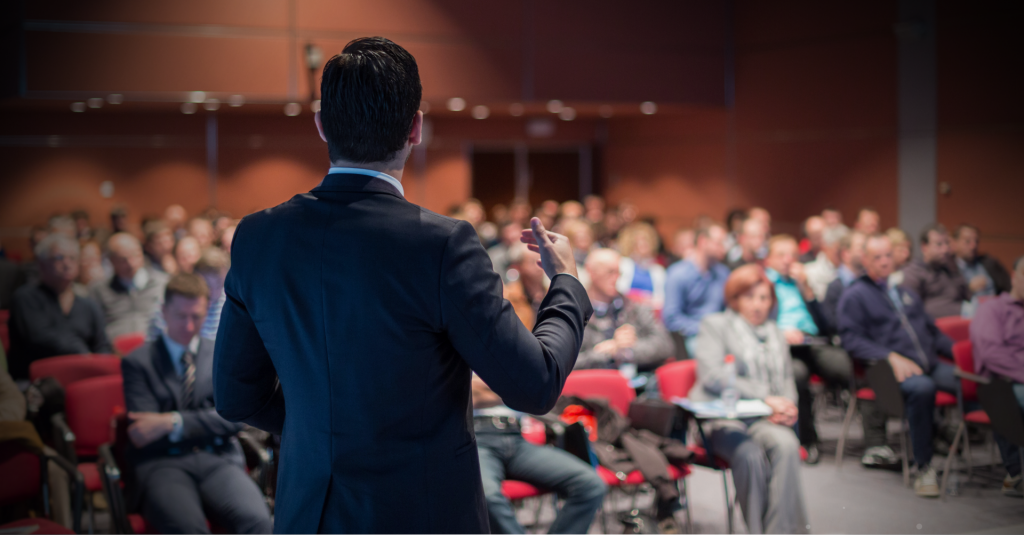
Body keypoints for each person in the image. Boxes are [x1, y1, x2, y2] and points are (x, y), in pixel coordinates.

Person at [213, 37, 592, 534]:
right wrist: (566, 282)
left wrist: (327, 432)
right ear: (416, 128)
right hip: (421, 512)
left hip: (309, 513)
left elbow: (236, 397)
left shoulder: (258, 237)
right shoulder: (441, 244)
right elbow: (535, 383)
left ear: (322, 124)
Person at [122, 273, 272, 534]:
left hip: (218, 458)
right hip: (163, 464)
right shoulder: (138, 362)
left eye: (197, 316)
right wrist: (210, 419)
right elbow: (143, 433)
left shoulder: (219, 352)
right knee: (189, 530)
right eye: (182, 316)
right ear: (164, 311)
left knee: (259, 522)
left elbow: (234, 419)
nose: (190, 326)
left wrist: (172, 422)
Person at [690, 265, 808, 534]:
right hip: (721, 417)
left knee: (787, 444)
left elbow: (788, 378)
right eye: (749, 297)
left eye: (764, 298)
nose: (757, 305)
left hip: (763, 418)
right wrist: (767, 398)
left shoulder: (776, 332)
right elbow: (713, 375)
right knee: (750, 455)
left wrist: (787, 406)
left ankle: (778, 531)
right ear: (735, 299)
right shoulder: (716, 325)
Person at [838, 233, 956, 498]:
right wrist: (889, 356)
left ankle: (1013, 469)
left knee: (978, 381)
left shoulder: (905, 293)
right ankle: (923, 467)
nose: (884, 262)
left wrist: (960, 353)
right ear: (865, 260)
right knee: (922, 389)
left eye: (888, 256)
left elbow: (932, 332)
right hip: (887, 372)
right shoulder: (855, 295)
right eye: (877, 257)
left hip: (929, 364)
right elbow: (850, 339)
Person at [473, 375, 606, 534]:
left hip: (516, 438)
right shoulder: (458, 354)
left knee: (591, 484)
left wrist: (489, 388)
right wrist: (513, 389)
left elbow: (539, 393)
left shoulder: (510, 354)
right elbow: (466, 394)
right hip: (476, 438)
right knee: (484, 497)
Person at [763, 235, 852, 463]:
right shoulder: (764, 283)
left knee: (846, 367)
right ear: (768, 259)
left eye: (792, 255)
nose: (787, 260)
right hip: (783, 346)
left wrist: (807, 290)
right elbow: (758, 322)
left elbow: (825, 324)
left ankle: (878, 440)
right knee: (798, 376)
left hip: (812, 342)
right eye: (781, 255)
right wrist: (780, 333)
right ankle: (807, 440)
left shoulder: (800, 282)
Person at [7, 235, 111, 379]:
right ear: (41, 264)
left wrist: (101, 366)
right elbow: (41, 339)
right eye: (59, 258)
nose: (67, 263)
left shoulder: (88, 304)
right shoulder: (25, 298)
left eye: (73, 258)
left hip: (83, 378)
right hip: (38, 383)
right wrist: (84, 355)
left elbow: (102, 345)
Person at [970, 255, 1024, 497]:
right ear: (1015, 277)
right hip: (1000, 383)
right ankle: (1017, 472)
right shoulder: (992, 308)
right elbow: (992, 354)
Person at [577, 249, 673, 371]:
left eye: (619, 273)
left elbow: (665, 345)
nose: (616, 278)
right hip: (594, 385)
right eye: (610, 272)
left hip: (640, 382)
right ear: (590, 271)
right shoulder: (574, 313)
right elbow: (561, 362)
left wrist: (626, 350)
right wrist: (604, 353)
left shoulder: (634, 307)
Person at [662, 224, 730, 353]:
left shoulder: (723, 273)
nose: (724, 249)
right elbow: (671, 318)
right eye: (719, 243)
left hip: (720, 334)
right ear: (703, 241)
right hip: (693, 335)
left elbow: (729, 310)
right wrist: (705, 329)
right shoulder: (678, 274)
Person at [89, 233, 169, 341]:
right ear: (111, 261)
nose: (131, 263)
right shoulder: (100, 290)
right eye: (123, 260)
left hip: (153, 347)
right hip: (116, 350)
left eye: (135, 255)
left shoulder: (162, 282)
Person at [148, 247, 228, 342]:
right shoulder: (173, 300)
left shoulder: (229, 301)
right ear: (194, 276)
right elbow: (152, 342)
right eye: (207, 285)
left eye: (219, 284)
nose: (213, 292)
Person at [902, 223, 970, 319]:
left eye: (947, 243)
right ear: (924, 247)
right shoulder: (913, 273)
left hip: (961, 323)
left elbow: (967, 297)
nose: (945, 249)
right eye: (939, 244)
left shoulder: (951, 268)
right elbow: (913, 311)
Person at [821, 232, 867, 332]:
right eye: (861, 248)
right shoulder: (835, 287)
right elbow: (833, 324)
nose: (866, 252)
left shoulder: (871, 284)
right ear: (846, 254)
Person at [952, 224, 1011, 298]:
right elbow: (947, 298)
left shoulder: (989, 262)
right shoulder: (948, 268)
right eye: (967, 241)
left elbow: (1008, 288)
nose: (973, 246)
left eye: (976, 241)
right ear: (954, 242)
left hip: (995, 305)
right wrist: (969, 289)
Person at [616, 222, 666, 309]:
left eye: (645, 241)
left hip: (649, 314)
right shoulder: (623, 264)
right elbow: (619, 291)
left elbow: (661, 300)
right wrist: (642, 298)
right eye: (638, 242)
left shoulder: (658, 270)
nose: (642, 244)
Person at [803, 226, 846, 301]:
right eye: (838, 250)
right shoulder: (808, 271)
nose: (843, 255)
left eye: (845, 251)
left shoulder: (850, 270)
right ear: (825, 246)